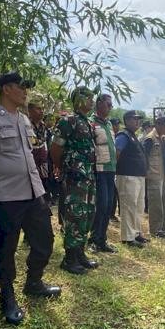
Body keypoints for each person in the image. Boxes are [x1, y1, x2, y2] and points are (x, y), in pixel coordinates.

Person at [0, 71, 61, 325]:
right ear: (6, 89)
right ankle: (7, 296)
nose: (25, 92)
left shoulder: (23, 120)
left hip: (33, 192)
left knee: (44, 239)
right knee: (5, 249)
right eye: (21, 88)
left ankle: (34, 282)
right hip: (5, 196)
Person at [50, 88, 99, 275]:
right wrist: (63, 167)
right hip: (74, 177)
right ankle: (69, 259)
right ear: (78, 100)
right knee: (74, 215)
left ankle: (80, 254)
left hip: (88, 176)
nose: (92, 101)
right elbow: (55, 148)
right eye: (88, 98)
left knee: (87, 214)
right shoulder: (67, 121)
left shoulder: (87, 122)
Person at [114, 111, 149, 248]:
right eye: (135, 119)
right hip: (127, 176)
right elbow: (117, 152)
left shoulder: (133, 136)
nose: (138, 122)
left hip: (138, 176)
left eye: (139, 119)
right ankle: (128, 238)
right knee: (129, 206)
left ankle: (136, 233)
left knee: (139, 206)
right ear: (127, 120)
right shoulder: (123, 136)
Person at [89, 93, 118, 254]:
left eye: (111, 105)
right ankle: (93, 239)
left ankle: (102, 239)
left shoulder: (108, 124)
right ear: (99, 104)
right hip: (99, 171)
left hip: (110, 170)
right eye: (108, 104)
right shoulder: (91, 123)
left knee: (108, 206)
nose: (110, 108)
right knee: (100, 205)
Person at [144, 115, 165, 238]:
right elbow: (144, 156)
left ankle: (164, 226)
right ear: (158, 125)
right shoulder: (150, 138)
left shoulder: (163, 138)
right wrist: (146, 173)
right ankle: (155, 229)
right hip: (154, 174)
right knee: (156, 203)